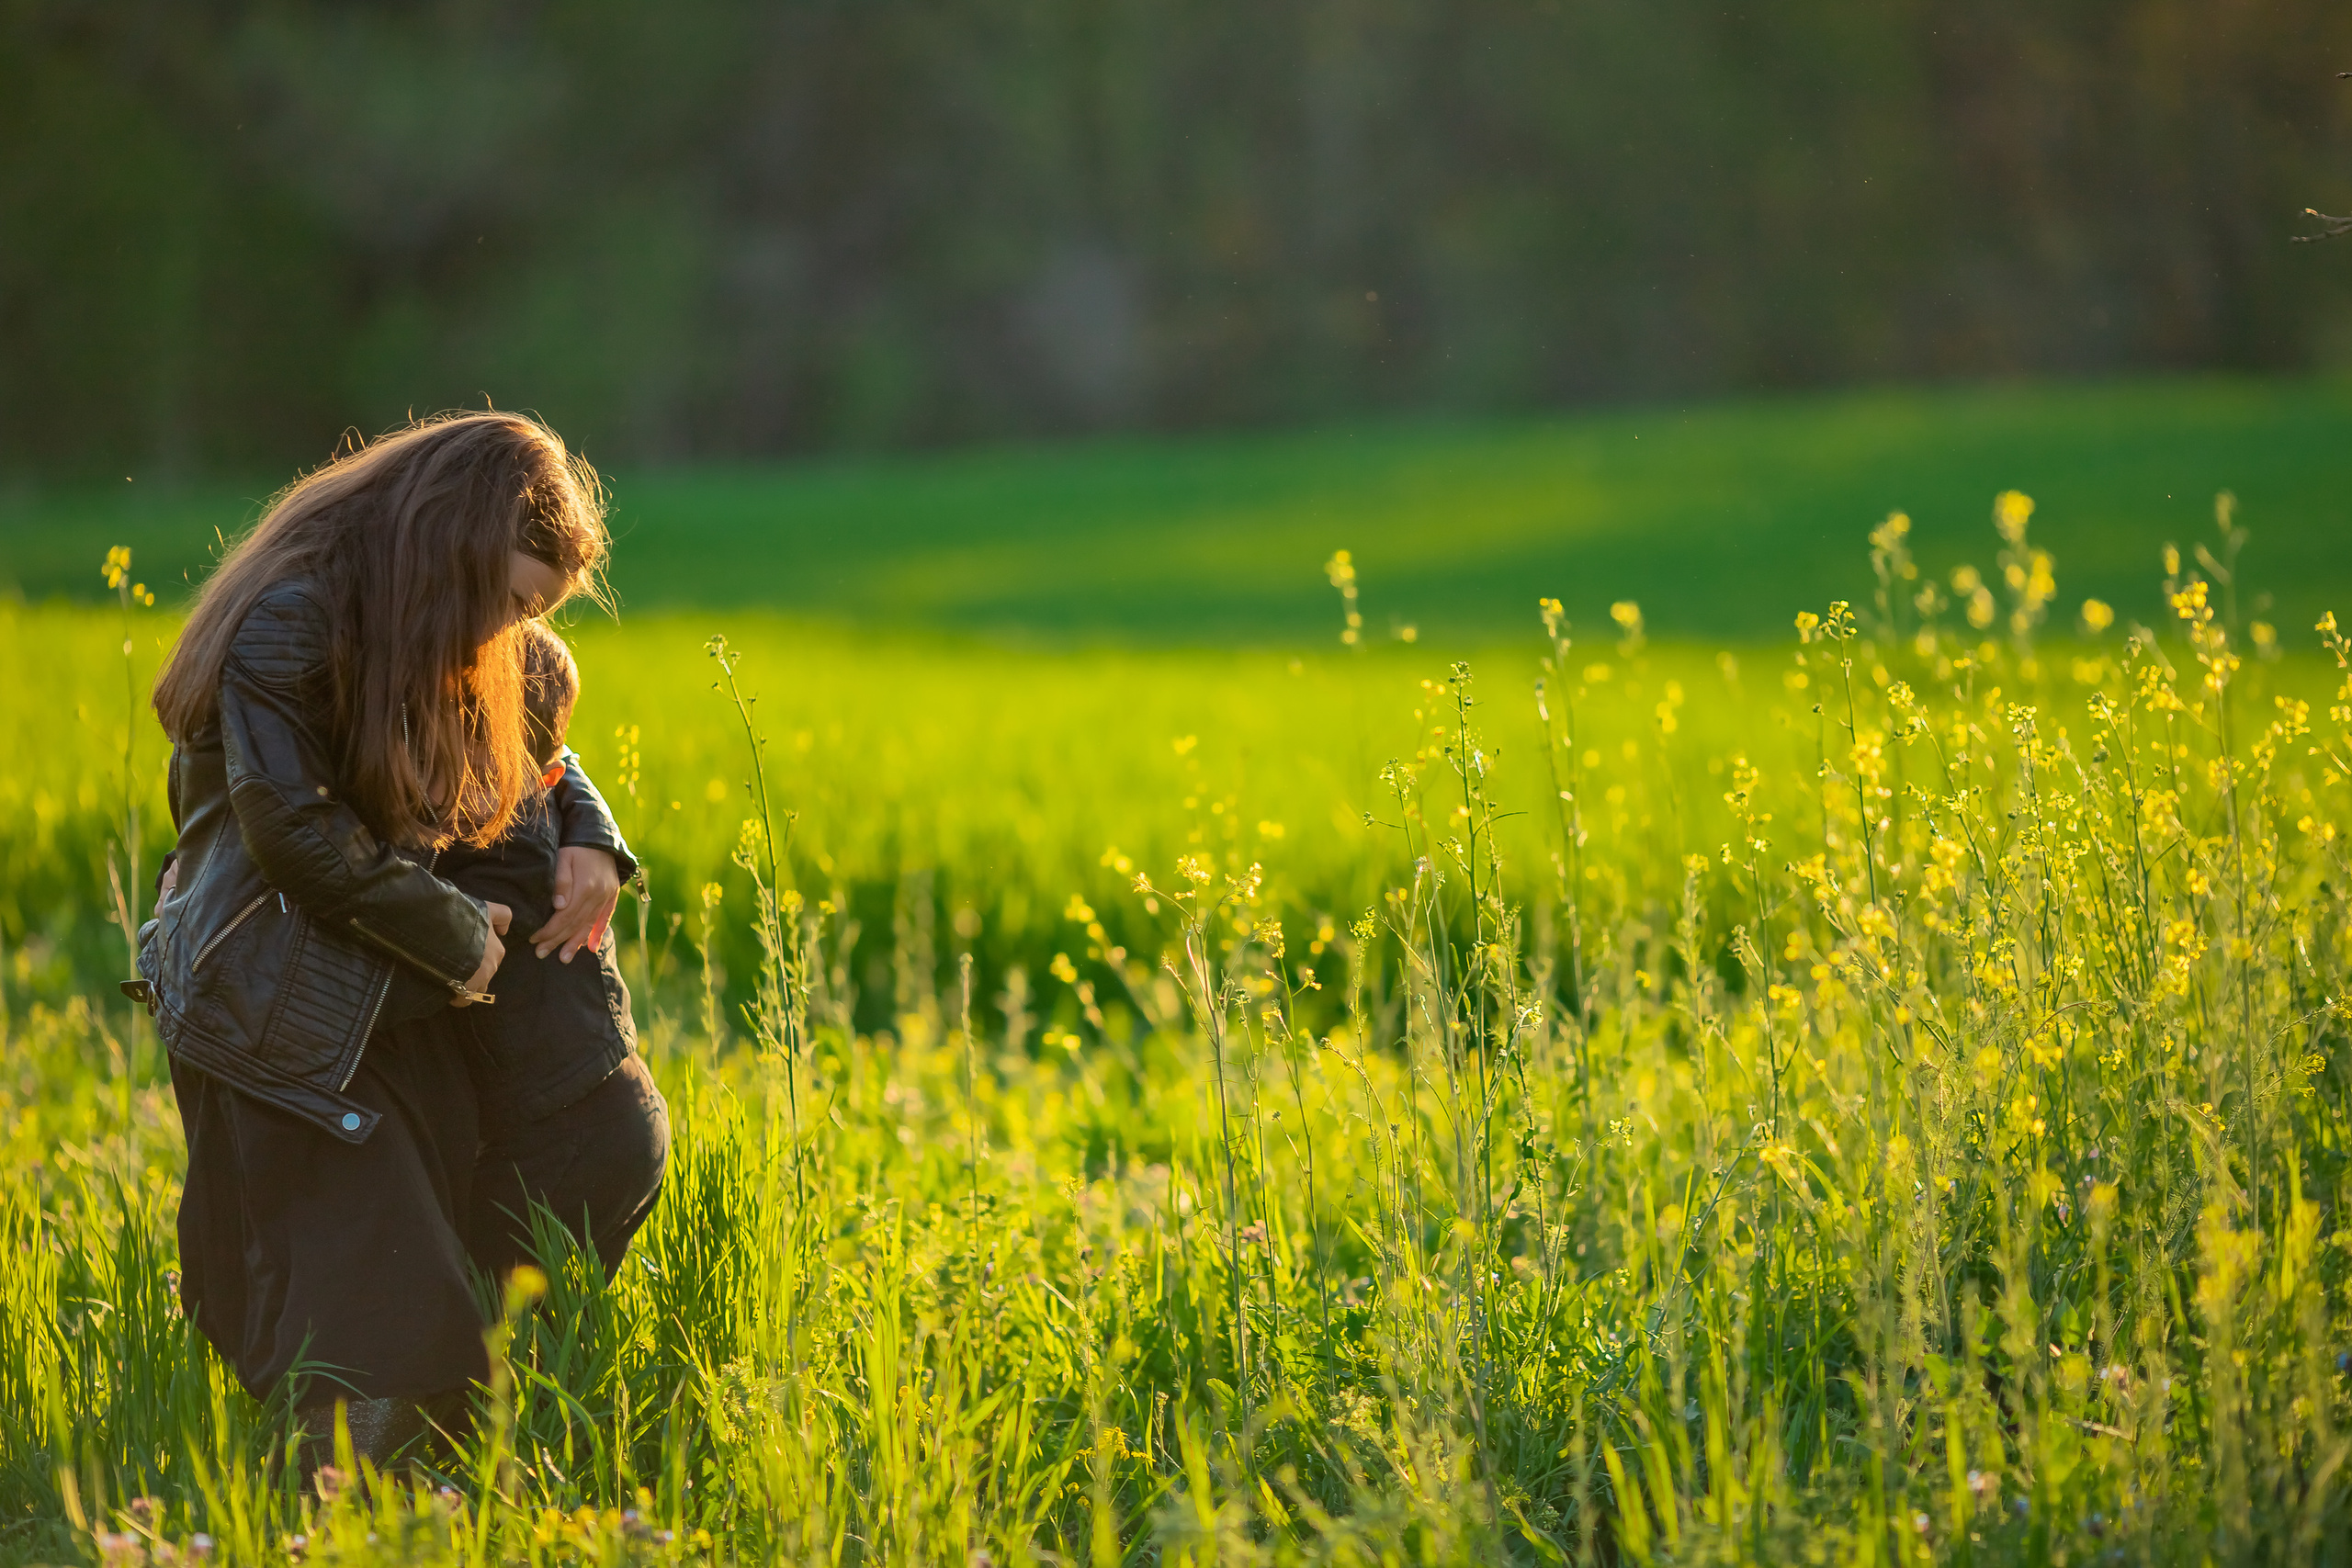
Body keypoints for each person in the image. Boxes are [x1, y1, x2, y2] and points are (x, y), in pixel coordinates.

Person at [135, 412, 631, 1467]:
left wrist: (590, 826)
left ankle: (427, 1476)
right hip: (281, 1000)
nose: (510, 634)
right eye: (508, 600)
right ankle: (341, 1513)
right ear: (451, 543)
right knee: (375, 1312)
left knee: (561, 1171)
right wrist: (458, 939)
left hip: (380, 981)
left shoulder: (435, 624)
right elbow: (297, 834)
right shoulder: (291, 624)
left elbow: (540, 728)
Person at [445, 619, 667, 1288]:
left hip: (565, 1135)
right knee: (560, 1324)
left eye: (466, 763)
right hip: (612, 1112)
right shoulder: (545, 814)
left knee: (483, 1312)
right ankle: (576, 1392)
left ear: (541, 775)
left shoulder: (499, 858)